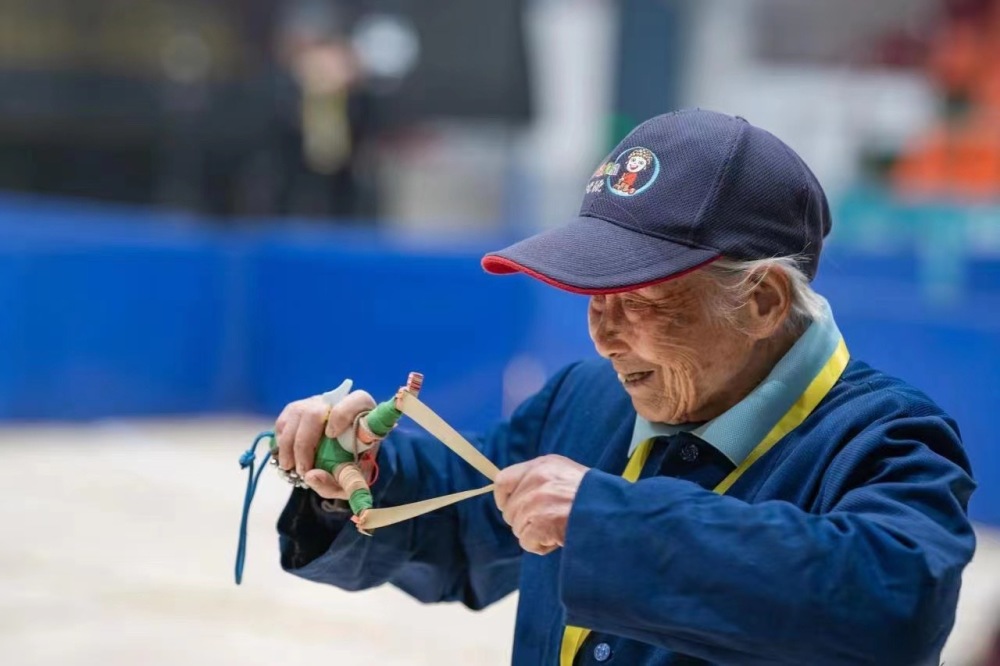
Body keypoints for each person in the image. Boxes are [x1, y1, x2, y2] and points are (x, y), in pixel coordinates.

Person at [272, 110, 976, 665]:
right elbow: (460, 525)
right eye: (592, 295)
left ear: (761, 302)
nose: (604, 337)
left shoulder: (887, 437)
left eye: (638, 299)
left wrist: (606, 519)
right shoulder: (588, 398)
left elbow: (891, 610)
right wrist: (360, 475)